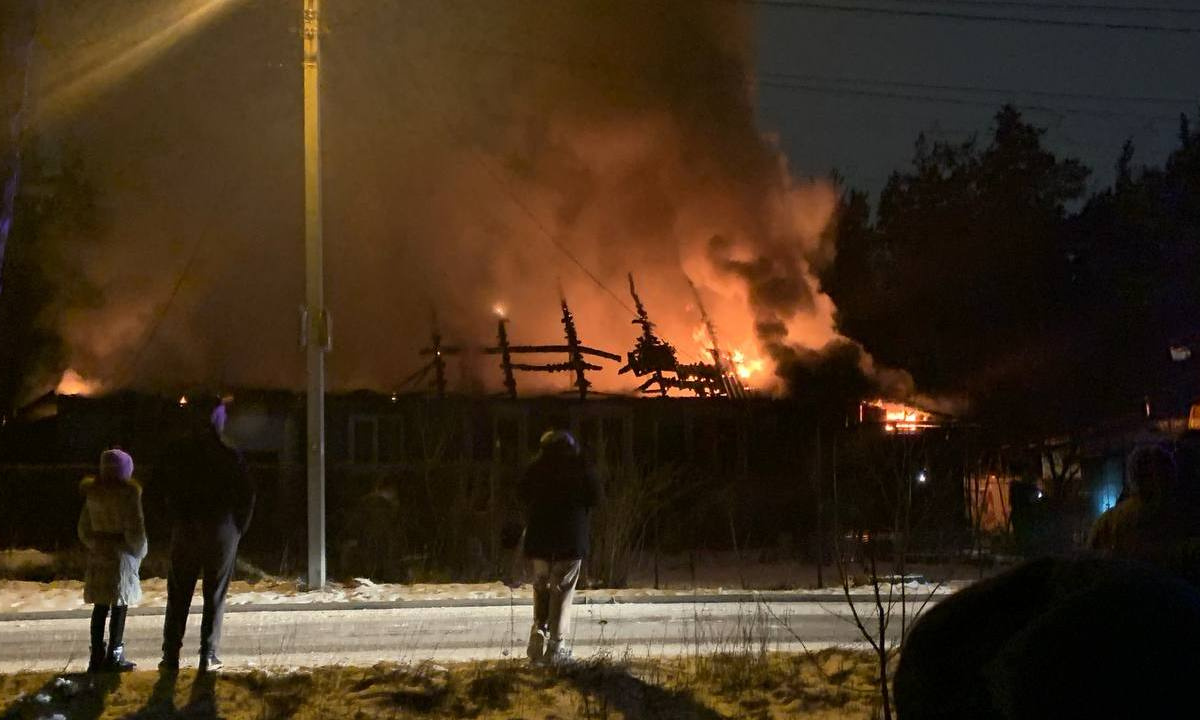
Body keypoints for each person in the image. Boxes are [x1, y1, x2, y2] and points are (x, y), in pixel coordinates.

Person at [157, 396, 255, 672]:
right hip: (220, 530)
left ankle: (171, 656)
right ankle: (208, 654)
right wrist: (237, 529)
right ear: (216, 419)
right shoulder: (229, 454)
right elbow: (247, 494)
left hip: (187, 528)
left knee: (179, 593)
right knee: (215, 594)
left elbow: (161, 489)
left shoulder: (179, 452)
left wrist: (173, 521)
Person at [519, 429, 602, 666]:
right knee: (562, 591)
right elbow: (596, 497)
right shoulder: (580, 469)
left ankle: (539, 629)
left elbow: (520, 493)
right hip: (570, 541)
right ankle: (556, 647)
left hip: (540, 541)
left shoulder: (536, 468)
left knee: (542, 586)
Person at [78, 448, 147, 673]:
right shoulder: (128, 494)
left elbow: (84, 528)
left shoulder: (93, 493)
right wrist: (139, 551)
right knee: (120, 604)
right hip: (121, 555)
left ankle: (96, 655)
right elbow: (135, 529)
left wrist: (96, 544)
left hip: (100, 553)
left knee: (100, 607)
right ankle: (115, 654)